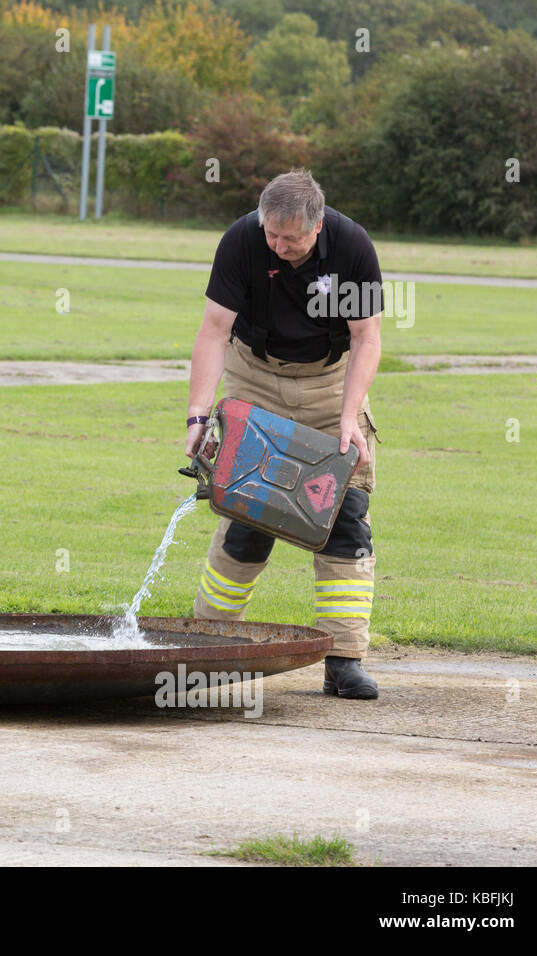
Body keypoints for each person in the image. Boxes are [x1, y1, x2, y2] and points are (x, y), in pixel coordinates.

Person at [185, 168, 383, 700]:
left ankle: (344, 661)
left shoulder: (353, 247)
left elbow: (367, 339)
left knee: (345, 515)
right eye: (271, 234)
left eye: (290, 238)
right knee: (248, 511)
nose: (278, 245)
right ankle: (209, 647)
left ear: (317, 227)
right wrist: (199, 414)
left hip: (328, 381)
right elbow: (213, 330)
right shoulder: (242, 240)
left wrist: (349, 417)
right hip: (256, 374)